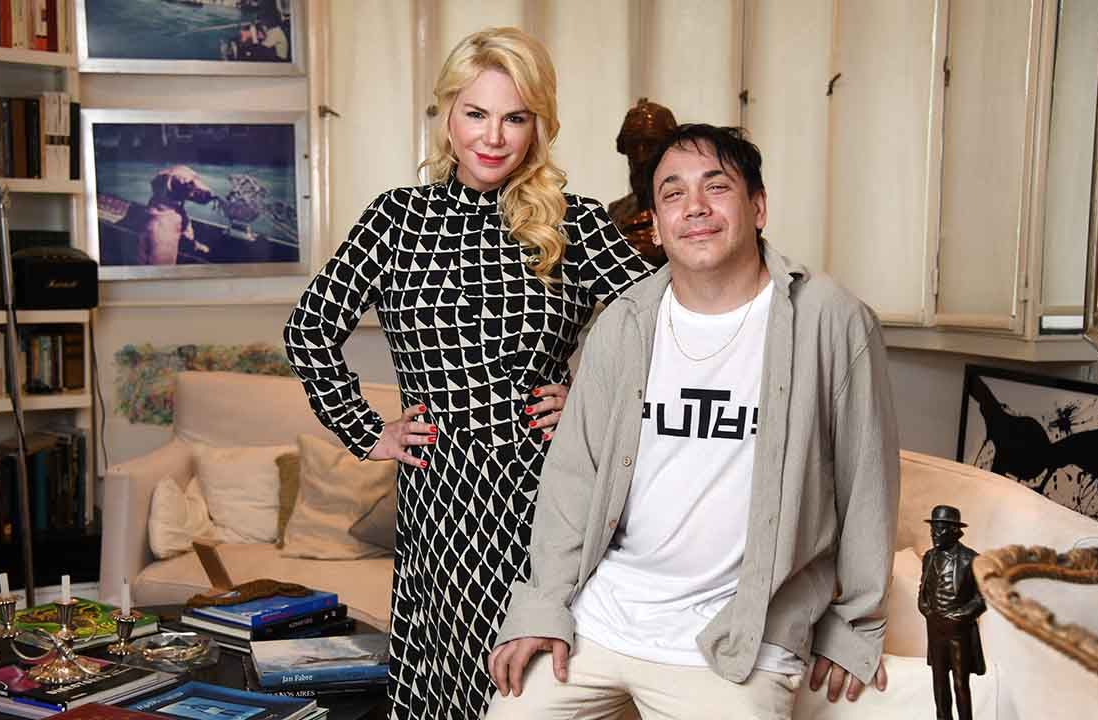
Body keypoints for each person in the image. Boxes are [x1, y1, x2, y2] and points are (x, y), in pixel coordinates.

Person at [283, 27, 656, 720]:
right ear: (447, 114)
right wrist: (367, 431)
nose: (493, 137)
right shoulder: (397, 219)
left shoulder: (573, 222)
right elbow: (308, 330)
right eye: (476, 113)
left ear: (538, 126)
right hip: (441, 492)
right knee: (453, 685)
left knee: (537, 689)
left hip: (546, 489)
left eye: (515, 118)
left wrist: (590, 401)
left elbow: (672, 326)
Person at [486, 123, 900, 719]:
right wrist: (543, 606)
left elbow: (867, 482)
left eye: (717, 186)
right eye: (673, 194)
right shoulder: (625, 320)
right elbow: (573, 479)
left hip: (738, 642)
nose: (696, 207)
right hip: (599, 623)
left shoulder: (831, 321)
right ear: (656, 225)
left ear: (758, 208)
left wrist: (857, 624)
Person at [918, 505, 986, 720]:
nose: (933, 534)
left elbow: (983, 598)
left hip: (959, 633)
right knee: (939, 682)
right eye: (932, 529)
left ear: (955, 531)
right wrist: (927, 611)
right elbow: (922, 591)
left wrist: (958, 617)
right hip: (935, 630)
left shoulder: (972, 559)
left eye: (939, 529)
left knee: (960, 683)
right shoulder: (929, 557)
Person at [607, 98, 677, 264]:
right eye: (633, 145)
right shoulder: (617, 211)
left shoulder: (688, 207)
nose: (641, 156)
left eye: (651, 144)